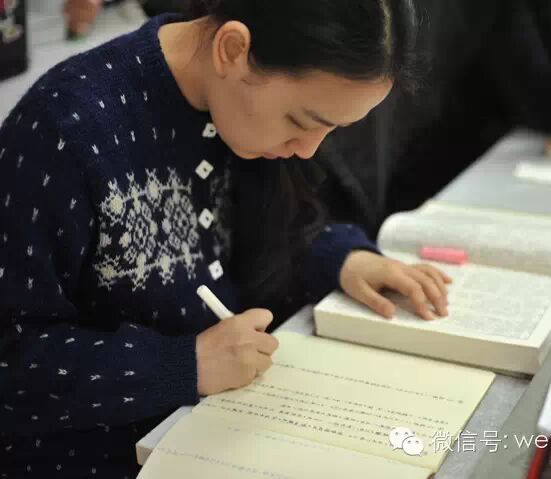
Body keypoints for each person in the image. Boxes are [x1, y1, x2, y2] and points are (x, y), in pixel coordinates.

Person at [0, 1, 453, 477]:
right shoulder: (65, 130)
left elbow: (269, 234)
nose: (307, 149)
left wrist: (340, 258)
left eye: (332, 130)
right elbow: (12, 358)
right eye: (301, 122)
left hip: (226, 436)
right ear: (232, 49)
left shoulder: (244, 112)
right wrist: (182, 366)